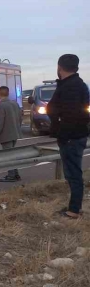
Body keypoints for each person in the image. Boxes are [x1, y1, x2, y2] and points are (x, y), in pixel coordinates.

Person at [48, 54, 89, 219]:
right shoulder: (78, 85)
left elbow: (72, 114)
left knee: (73, 173)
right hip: (74, 134)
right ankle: (75, 207)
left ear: (59, 67)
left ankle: (74, 210)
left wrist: (63, 134)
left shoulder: (70, 86)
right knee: (73, 172)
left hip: (71, 136)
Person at [0, 86, 23, 182]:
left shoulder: (1, 105)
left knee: (8, 156)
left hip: (6, 135)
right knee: (12, 155)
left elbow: (0, 122)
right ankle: (15, 174)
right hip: (15, 133)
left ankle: (11, 175)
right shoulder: (14, 104)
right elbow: (20, 117)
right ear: (8, 93)